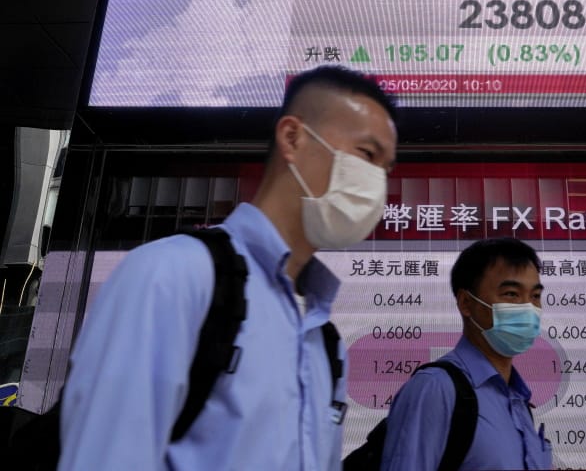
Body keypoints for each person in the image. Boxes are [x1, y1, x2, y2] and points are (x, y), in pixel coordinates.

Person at [58, 65, 398, 471]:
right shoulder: (172, 275)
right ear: (293, 138)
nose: (376, 182)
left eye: (386, 168)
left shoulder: (322, 339)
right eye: (366, 155)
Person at [381, 237, 553, 470]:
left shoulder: (517, 400)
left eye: (534, 296)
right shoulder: (435, 389)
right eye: (511, 294)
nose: (528, 308)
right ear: (466, 303)